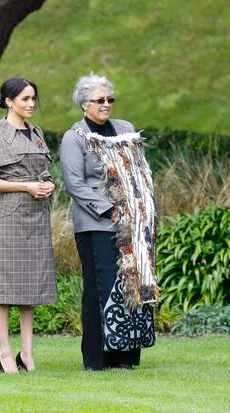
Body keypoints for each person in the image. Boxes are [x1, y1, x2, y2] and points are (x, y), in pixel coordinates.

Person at [60, 72, 157, 371]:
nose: (106, 104)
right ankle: (97, 358)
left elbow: (139, 170)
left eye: (109, 99)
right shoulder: (74, 137)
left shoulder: (125, 129)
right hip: (97, 225)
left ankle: (126, 355)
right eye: (99, 100)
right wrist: (109, 210)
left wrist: (142, 207)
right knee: (100, 288)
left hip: (133, 225)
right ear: (84, 104)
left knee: (131, 283)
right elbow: (75, 184)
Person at [0, 78, 57, 374]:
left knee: (30, 286)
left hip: (37, 217)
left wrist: (47, 185)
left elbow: (44, 172)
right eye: (25, 98)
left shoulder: (36, 133)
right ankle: (5, 351)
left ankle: (27, 351)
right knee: (7, 286)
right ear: (9, 102)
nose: (31, 103)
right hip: (11, 218)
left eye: (33, 98)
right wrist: (26, 186)